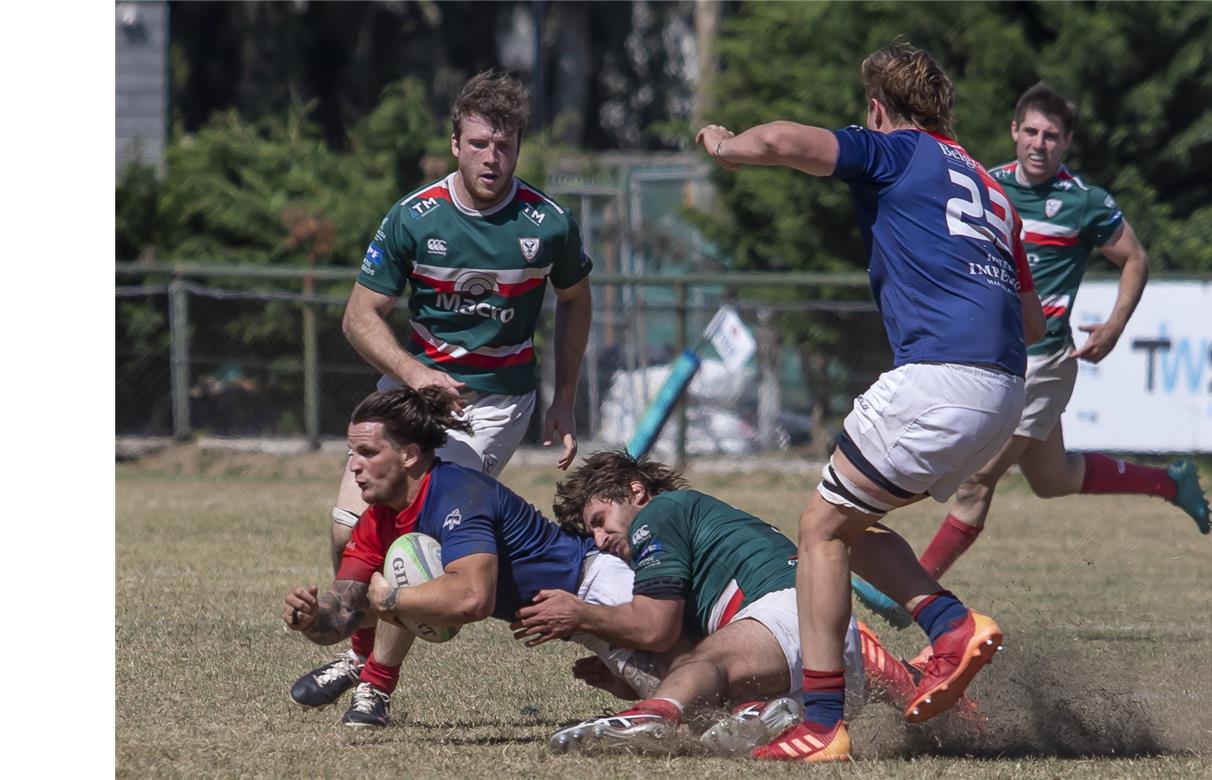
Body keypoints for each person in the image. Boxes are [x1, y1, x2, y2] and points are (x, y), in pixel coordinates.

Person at [693, 41, 1045, 761]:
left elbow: (783, 141)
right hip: (1006, 390)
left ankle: (826, 722)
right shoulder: (992, 186)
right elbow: (1034, 320)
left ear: (878, 108)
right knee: (847, 524)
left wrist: (727, 147)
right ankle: (946, 626)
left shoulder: (895, 150)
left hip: (942, 378)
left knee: (819, 531)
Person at [291, 70, 595, 713]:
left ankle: (375, 687)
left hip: (493, 405)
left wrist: (563, 398)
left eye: (505, 145)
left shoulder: (548, 223)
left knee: (412, 541)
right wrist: (416, 374)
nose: (492, 157)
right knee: (348, 529)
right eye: (480, 143)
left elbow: (575, 300)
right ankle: (358, 654)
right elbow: (358, 317)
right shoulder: (414, 217)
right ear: (456, 143)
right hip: (414, 390)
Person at [911, 83, 1212, 581]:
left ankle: (913, 594)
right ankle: (1170, 483)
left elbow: (1135, 258)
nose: (1039, 144)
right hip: (993, 357)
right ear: (1014, 131)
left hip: (1044, 361)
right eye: (1030, 131)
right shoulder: (984, 185)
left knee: (976, 482)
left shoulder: (1082, 202)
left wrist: (1114, 326)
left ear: (1066, 141)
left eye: (1051, 136)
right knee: (1054, 479)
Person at [282, 388, 656, 728]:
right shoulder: (376, 523)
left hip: (595, 583)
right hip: (576, 619)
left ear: (409, 454)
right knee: (664, 698)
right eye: (353, 453)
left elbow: (474, 598)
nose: (353, 466)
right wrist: (312, 618)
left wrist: (392, 599)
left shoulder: (456, 493)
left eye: (368, 453)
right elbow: (343, 612)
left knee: (677, 694)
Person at [511, 451, 917, 755]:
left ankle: (654, 715)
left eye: (600, 520)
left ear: (635, 491)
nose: (600, 541)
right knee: (707, 676)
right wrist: (630, 679)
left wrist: (581, 614)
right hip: (831, 661)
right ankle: (766, 712)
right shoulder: (690, 524)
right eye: (592, 533)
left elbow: (655, 628)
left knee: (704, 663)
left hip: (791, 615)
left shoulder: (658, 514)